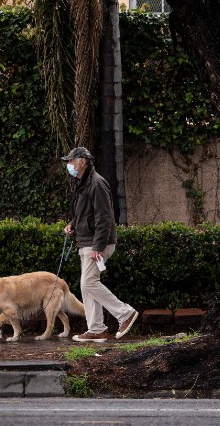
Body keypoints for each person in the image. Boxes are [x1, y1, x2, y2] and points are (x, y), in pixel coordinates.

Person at [61, 146, 138, 342]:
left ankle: (125, 314)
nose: (69, 165)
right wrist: (72, 225)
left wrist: (98, 246)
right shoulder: (84, 183)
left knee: (88, 282)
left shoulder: (96, 183)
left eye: (71, 161)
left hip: (95, 243)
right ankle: (96, 329)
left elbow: (104, 217)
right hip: (87, 241)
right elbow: (85, 215)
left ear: (82, 161)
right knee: (87, 285)